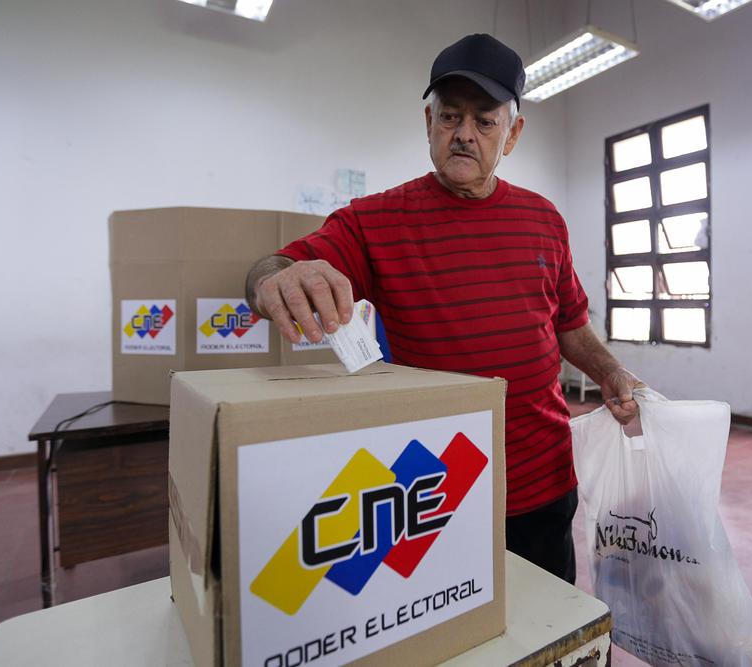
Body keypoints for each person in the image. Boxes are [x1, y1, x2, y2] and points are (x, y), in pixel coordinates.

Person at [245, 33, 644, 584]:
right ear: (428, 123)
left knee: (551, 637)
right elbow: (268, 271)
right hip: (433, 487)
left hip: (542, 479)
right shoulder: (373, 220)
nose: (464, 134)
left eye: (485, 121)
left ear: (513, 134)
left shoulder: (544, 219)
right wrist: (279, 279)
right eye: (450, 117)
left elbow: (570, 324)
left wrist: (611, 371)